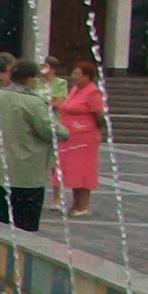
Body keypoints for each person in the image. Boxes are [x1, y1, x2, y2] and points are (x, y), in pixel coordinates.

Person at [0, 60, 60, 230]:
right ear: (30, 79)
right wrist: (65, 131)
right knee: (24, 227)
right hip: (26, 175)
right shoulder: (34, 102)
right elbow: (51, 131)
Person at [52, 60, 107, 217]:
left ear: (87, 76)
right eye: (74, 73)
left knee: (84, 170)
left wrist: (93, 129)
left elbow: (99, 115)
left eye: (77, 74)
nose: (73, 76)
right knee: (74, 170)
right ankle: (76, 203)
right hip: (71, 137)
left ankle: (84, 205)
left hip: (85, 138)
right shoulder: (76, 89)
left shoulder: (93, 92)